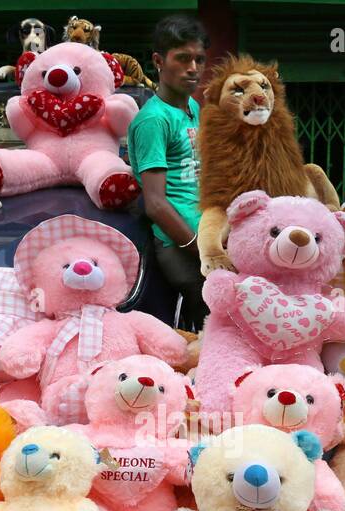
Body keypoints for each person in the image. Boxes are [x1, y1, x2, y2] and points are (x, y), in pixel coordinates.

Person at [127, 15, 210, 330]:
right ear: (159, 61)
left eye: (199, 59)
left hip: (204, 237)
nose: (193, 68)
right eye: (183, 58)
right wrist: (198, 248)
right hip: (180, 247)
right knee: (210, 331)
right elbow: (156, 203)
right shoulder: (154, 120)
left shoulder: (192, 108)